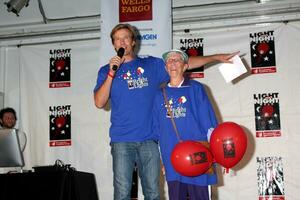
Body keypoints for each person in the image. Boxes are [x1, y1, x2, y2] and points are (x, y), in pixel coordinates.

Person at [93, 23, 237, 200]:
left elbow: (182, 63)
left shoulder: (151, 65)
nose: (122, 42)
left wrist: (216, 57)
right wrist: (111, 74)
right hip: (122, 140)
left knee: (153, 192)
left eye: (126, 38)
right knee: (122, 192)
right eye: (118, 39)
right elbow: (99, 102)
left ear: (133, 42)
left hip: (149, 140)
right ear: (114, 44)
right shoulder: (105, 71)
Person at [152, 49, 218, 200]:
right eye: (169, 60)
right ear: (165, 67)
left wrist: (214, 154)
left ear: (185, 66)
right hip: (172, 159)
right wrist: (162, 160)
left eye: (177, 60)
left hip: (198, 157)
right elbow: (157, 131)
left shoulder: (196, 89)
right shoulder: (158, 95)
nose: (173, 63)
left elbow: (209, 124)